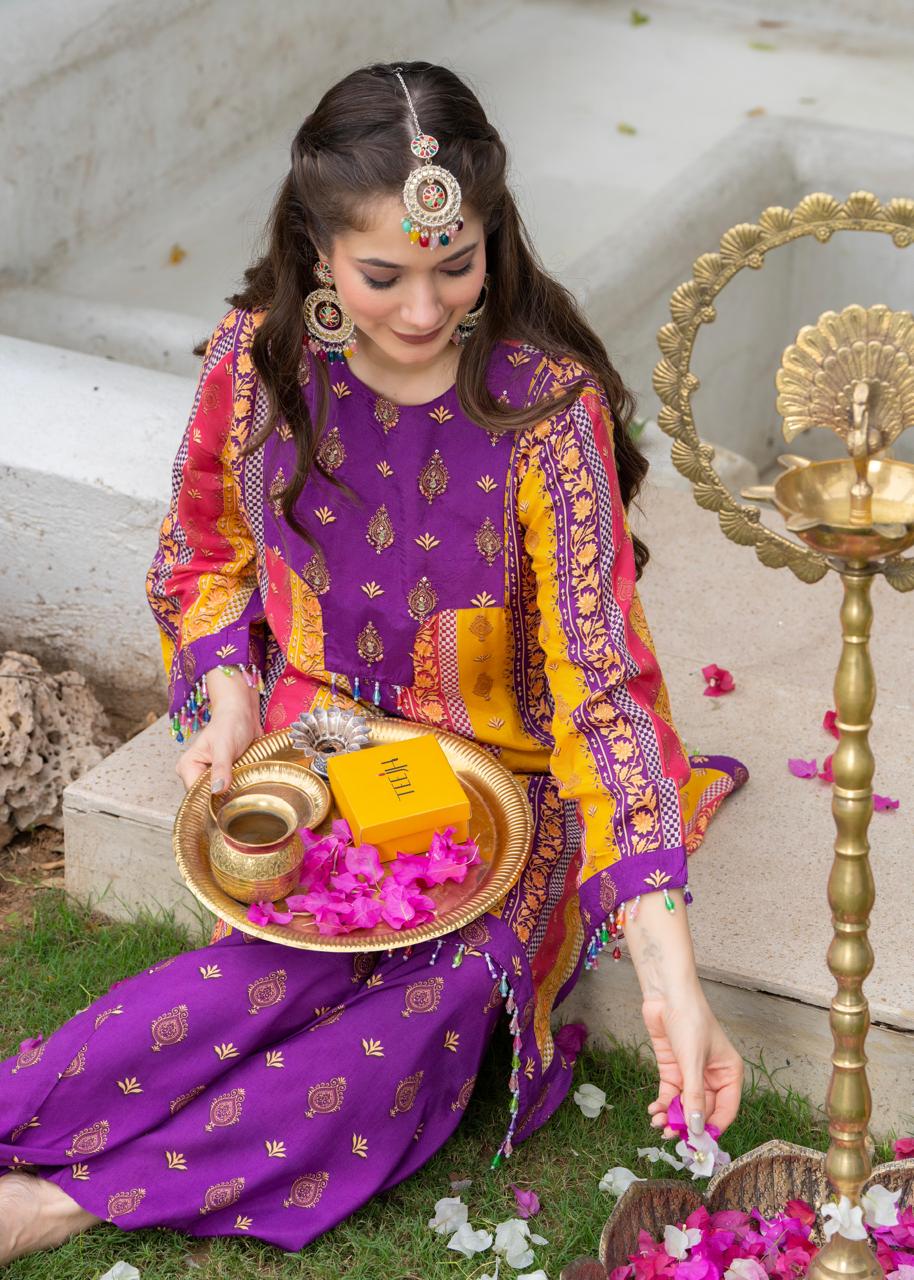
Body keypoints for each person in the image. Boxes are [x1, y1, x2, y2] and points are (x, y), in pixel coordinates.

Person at [0, 60, 747, 1264]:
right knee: (256, 977)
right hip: (325, 743)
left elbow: (601, 691)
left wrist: (669, 979)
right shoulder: (260, 364)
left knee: (434, 1003)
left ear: (490, 237)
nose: (422, 309)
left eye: (455, 266)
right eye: (382, 275)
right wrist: (228, 697)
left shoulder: (544, 411)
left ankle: (63, 1204)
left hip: (515, 778)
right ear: (317, 252)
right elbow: (205, 557)